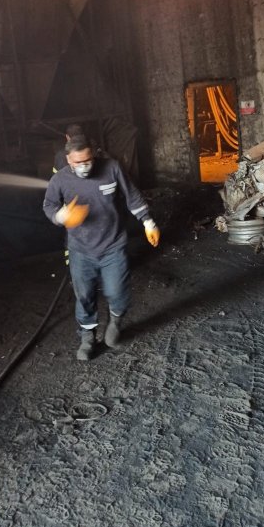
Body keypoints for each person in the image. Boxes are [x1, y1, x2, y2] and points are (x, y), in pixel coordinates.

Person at [43, 136, 160, 361]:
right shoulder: (60, 179)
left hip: (113, 245)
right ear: (68, 160)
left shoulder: (112, 168)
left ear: (94, 155)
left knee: (117, 291)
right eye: (78, 163)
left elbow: (132, 196)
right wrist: (60, 216)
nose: (84, 166)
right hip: (81, 249)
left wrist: (148, 222)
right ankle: (87, 336)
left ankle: (115, 323)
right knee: (85, 295)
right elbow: (49, 205)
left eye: (88, 160)